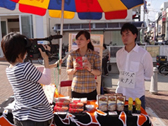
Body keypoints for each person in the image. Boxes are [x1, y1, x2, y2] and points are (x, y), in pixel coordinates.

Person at [1, 32, 60, 126]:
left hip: (20, 115)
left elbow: (35, 72)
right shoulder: (25, 67)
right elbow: (47, 80)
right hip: (36, 117)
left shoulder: (10, 68)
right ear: (20, 50)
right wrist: (46, 59)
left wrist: (52, 65)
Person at [115, 23, 153, 110]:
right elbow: (120, 70)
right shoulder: (119, 53)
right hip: (120, 95)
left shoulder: (144, 54)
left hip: (136, 97)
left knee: (137, 122)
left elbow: (148, 74)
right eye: (123, 35)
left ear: (135, 35)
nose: (124, 37)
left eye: (127, 34)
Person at [66, 30, 101, 100]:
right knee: (77, 110)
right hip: (76, 89)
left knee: (91, 110)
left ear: (88, 41)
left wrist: (90, 69)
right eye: (77, 39)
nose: (78, 41)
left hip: (90, 90)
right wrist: (74, 69)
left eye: (81, 39)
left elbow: (99, 72)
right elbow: (68, 71)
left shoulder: (95, 55)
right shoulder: (72, 55)